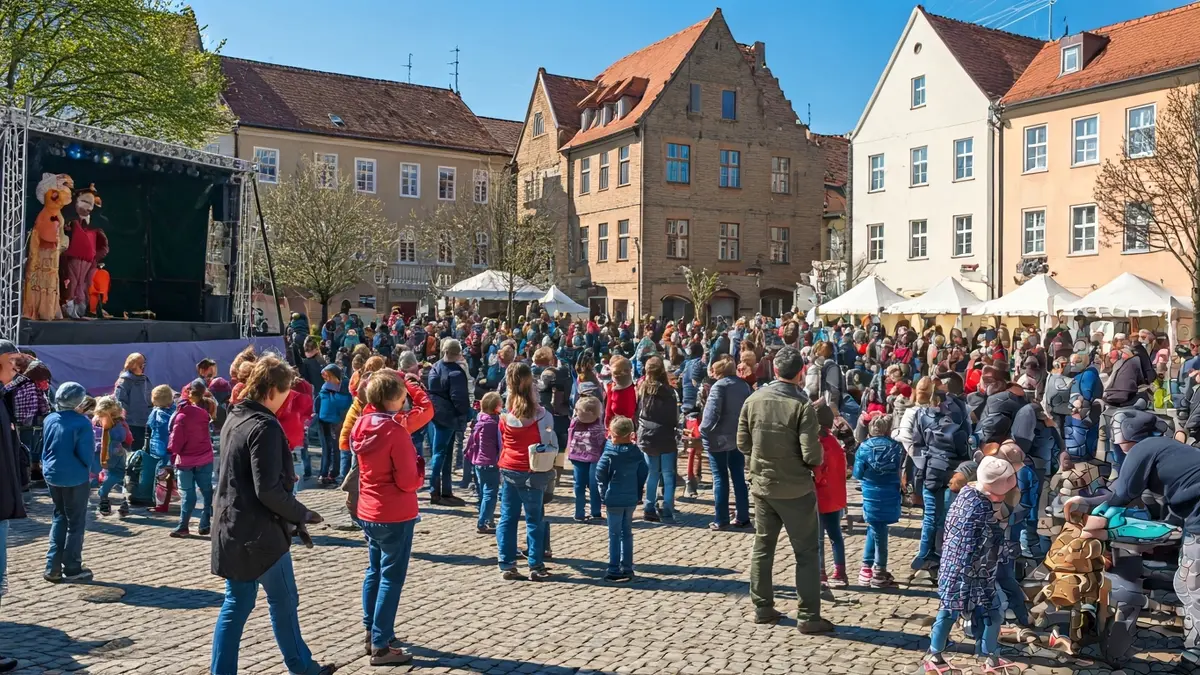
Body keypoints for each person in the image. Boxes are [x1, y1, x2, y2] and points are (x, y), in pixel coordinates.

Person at [209, 355, 335, 675]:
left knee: (237, 605)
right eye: (285, 393)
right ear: (271, 391)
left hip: (231, 525)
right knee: (283, 600)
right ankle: (302, 667)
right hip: (259, 534)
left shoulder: (235, 415)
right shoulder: (263, 426)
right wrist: (302, 514)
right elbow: (268, 490)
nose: (286, 400)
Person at [737, 346, 834, 633]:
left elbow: (742, 442)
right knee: (806, 552)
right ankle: (808, 615)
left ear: (775, 370)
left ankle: (763, 607)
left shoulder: (754, 399)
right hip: (795, 489)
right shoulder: (801, 405)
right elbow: (811, 455)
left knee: (763, 547)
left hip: (763, 485)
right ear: (800, 373)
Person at [348, 370, 429, 666]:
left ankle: (372, 630)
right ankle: (381, 644)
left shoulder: (362, 423)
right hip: (394, 512)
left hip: (369, 509)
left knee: (375, 571)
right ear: (395, 398)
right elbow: (408, 481)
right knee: (391, 578)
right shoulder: (395, 430)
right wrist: (420, 467)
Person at [922, 456, 1020, 675]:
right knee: (991, 612)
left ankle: (937, 654)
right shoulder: (981, 508)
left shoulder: (967, 494)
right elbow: (987, 544)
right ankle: (988, 657)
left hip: (953, 568)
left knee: (948, 611)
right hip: (971, 573)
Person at [496, 362, 558, 581]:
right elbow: (550, 442)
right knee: (534, 519)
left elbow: (502, 442)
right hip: (533, 470)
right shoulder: (542, 416)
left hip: (510, 468)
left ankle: (507, 563)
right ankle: (535, 564)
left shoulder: (504, 416)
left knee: (507, 518)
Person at [41, 381, 94, 586]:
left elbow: (46, 446)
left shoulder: (50, 419)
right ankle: (72, 566)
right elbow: (86, 454)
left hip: (53, 474)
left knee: (59, 516)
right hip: (75, 476)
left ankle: (52, 566)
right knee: (76, 522)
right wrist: (88, 471)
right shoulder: (81, 423)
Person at [701, 357, 753, 530]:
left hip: (719, 438)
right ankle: (743, 516)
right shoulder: (743, 386)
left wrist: (703, 430)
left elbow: (711, 414)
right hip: (737, 436)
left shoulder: (719, 387)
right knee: (738, 475)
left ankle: (721, 518)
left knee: (720, 477)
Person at [854, 414, 904, 589]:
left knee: (876, 528)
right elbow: (900, 469)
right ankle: (878, 572)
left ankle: (868, 567)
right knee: (879, 530)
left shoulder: (863, 448)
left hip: (871, 494)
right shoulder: (896, 448)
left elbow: (857, 474)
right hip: (889, 492)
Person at [596, 415, 648, 582]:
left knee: (614, 534)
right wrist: (638, 490)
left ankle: (613, 568)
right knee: (627, 533)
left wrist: (603, 493)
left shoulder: (609, 453)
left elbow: (600, 474)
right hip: (630, 497)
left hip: (613, 498)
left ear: (612, 434)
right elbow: (643, 472)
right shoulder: (636, 453)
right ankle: (627, 567)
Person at [167, 380, 216, 538]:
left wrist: (173, 455)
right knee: (207, 489)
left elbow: (175, 441)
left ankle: (183, 526)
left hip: (185, 461)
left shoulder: (180, 416)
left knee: (188, 494)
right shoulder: (204, 413)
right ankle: (205, 521)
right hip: (204, 457)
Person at [426, 338, 471, 506]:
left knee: (442, 453)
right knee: (441, 454)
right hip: (449, 415)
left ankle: (444, 490)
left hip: (436, 414)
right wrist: (465, 414)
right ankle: (436, 491)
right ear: (458, 353)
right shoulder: (456, 372)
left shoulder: (436, 367)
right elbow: (459, 398)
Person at [637, 356, 679, 523]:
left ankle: (649, 506)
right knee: (668, 474)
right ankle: (667, 508)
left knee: (652, 473)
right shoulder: (668, 391)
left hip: (647, 435)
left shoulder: (642, 389)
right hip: (666, 435)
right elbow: (673, 418)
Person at [812, 404, 848, 589]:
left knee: (818, 537)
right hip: (836, 496)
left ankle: (820, 573)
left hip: (821, 497)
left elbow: (817, 472)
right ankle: (840, 572)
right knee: (835, 535)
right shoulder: (834, 442)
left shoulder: (817, 443)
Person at [465, 392, 503, 534]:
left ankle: (487, 518)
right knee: (490, 493)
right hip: (490, 462)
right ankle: (484, 521)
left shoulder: (481, 419)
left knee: (484, 492)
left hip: (478, 462)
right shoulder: (493, 423)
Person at [566, 395, 605, 523]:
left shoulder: (574, 422)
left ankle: (579, 512)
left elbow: (570, 437)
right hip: (594, 458)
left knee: (579, 485)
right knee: (594, 485)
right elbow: (601, 442)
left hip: (577, 457)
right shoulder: (598, 424)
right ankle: (596, 511)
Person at [93, 396, 132, 517]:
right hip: (113, 454)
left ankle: (119, 499)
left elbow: (124, 437)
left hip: (118, 453)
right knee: (116, 476)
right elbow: (109, 441)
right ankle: (105, 493)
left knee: (117, 476)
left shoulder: (117, 422)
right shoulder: (108, 423)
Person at [314, 364, 351, 486]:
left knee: (329, 448)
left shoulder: (327, 388)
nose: (327, 379)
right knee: (333, 448)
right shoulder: (340, 386)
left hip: (326, 420)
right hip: (332, 421)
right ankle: (329, 474)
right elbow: (341, 402)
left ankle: (326, 474)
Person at [139, 385, 175, 505]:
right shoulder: (174, 410)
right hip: (171, 445)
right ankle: (172, 490)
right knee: (169, 469)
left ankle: (159, 499)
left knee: (158, 472)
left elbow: (149, 426)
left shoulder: (156, 412)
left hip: (157, 445)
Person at [114, 352, 153, 452]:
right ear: (133, 365)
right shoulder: (124, 381)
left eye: (144, 365)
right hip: (131, 423)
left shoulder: (145, 379)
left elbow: (150, 398)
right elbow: (120, 402)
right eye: (141, 365)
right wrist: (124, 420)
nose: (143, 367)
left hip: (145, 422)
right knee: (133, 452)